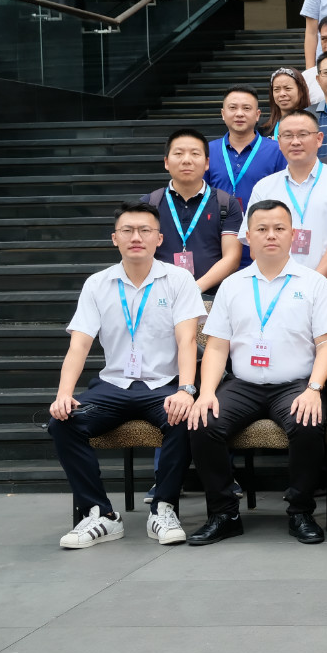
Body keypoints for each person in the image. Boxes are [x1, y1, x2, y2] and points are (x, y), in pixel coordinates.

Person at [49, 201, 206, 548]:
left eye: (145, 230)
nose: (136, 237)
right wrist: (64, 394)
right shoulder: (97, 284)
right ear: (114, 238)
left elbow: (186, 339)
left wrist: (186, 389)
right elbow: (79, 345)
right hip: (113, 386)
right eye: (128, 230)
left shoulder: (178, 280)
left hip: (163, 385)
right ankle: (100, 514)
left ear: (159, 238)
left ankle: (163, 508)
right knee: (63, 422)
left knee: (185, 418)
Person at [186, 199, 327, 545]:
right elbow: (217, 347)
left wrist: (314, 389)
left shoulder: (314, 283)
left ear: (293, 234)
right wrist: (206, 392)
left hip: (296, 384)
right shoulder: (233, 285)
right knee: (203, 421)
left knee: (308, 422)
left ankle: (300, 511)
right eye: (262, 229)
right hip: (243, 384)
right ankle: (224, 513)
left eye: (279, 228)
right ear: (248, 236)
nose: (271, 235)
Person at [245, 110, 327, 303]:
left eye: (302, 134)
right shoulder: (264, 187)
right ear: (278, 141)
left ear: (319, 139)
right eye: (288, 135)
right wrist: (286, 288)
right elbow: (256, 246)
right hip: (276, 295)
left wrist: (309, 287)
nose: (295, 142)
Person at [150, 129, 242, 293]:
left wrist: (194, 289)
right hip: (161, 295)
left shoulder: (226, 203)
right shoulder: (150, 204)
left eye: (194, 154)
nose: (186, 160)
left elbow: (232, 258)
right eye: (178, 154)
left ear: (207, 163)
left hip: (212, 297)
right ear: (166, 162)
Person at [210, 86, 285, 212]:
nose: (239, 114)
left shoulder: (277, 150)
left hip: (263, 222)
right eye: (233, 108)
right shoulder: (208, 150)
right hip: (217, 223)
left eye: (246, 108)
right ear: (223, 114)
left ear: (257, 115)